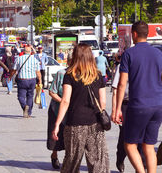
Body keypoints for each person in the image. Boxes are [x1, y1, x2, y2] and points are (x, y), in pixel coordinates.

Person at [52, 43, 109, 173]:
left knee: (72, 161)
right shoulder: (98, 75)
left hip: (75, 124)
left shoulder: (70, 75)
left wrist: (57, 124)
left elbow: (65, 101)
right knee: (97, 163)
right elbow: (103, 102)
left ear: (75, 56)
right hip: (95, 124)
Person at [115, 21, 162, 173]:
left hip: (139, 105)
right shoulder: (158, 53)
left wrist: (117, 109)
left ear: (134, 34)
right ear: (147, 34)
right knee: (149, 146)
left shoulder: (129, 54)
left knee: (129, 144)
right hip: (158, 105)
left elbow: (122, 84)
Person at [47, 53, 73, 170]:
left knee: (70, 136)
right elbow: (52, 91)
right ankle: (54, 154)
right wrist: (63, 101)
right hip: (57, 109)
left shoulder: (79, 75)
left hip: (72, 111)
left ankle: (68, 159)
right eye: (71, 60)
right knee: (56, 134)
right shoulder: (61, 74)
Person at [14, 44, 41, 118]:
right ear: (30, 52)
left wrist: (11, 76)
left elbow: (14, 69)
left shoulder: (19, 58)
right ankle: (28, 113)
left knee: (20, 97)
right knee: (30, 96)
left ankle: (24, 106)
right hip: (32, 80)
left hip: (22, 80)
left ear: (24, 52)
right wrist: (40, 81)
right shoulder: (35, 59)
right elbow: (38, 72)